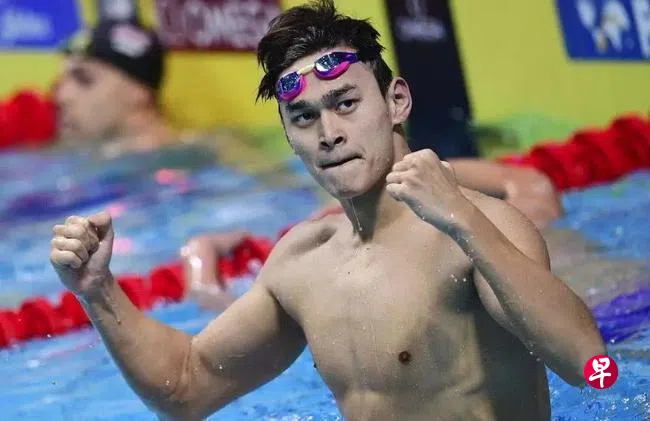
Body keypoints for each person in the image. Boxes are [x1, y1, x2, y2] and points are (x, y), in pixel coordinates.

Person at [49, 2, 604, 420]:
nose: (329, 133)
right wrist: (98, 290)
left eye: (346, 103)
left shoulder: (480, 229)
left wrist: (463, 219)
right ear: (289, 135)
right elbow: (187, 387)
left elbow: (592, 368)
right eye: (305, 117)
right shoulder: (302, 263)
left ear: (396, 101)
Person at [55, 19, 177, 153]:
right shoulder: (106, 155)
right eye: (63, 82)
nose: (62, 97)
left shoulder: (176, 161)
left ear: (139, 92)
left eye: (84, 79)